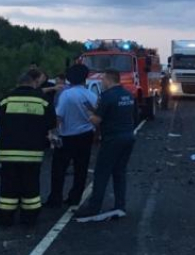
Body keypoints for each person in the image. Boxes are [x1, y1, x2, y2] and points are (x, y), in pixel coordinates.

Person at [0, 72, 56, 226]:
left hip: (8, 152)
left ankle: (5, 218)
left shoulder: (5, 100)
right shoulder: (43, 101)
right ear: (33, 83)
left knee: (8, 186)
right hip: (32, 152)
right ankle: (29, 218)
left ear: (18, 84)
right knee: (31, 186)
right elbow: (52, 123)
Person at [74, 69, 135, 220]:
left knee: (101, 173)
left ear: (108, 80)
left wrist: (87, 114)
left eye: (103, 80)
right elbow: (134, 116)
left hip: (112, 139)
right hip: (128, 136)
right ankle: (120, 205)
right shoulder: (128, 95)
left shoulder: (107, 96)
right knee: (119, 172)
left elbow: (97, 121)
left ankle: (93, 208)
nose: (101, 83)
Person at [46, 64, 97, 208]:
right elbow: (95, 115)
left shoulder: (66, 95)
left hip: (67, 136)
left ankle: (55, 198)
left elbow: (59, 117)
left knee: (59, 169)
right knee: (81, 169)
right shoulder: (91, 95)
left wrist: (52, 133)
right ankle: (75, 197)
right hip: (86, 135)